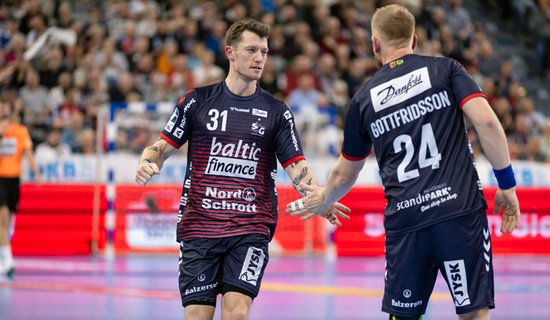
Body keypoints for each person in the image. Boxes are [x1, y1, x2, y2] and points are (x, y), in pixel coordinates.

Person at [286, 5, 521, 320]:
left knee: (404, 316)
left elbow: (345, 171)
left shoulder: (363, 99)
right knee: (473, 314)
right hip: (457, 211)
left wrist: (325, 198)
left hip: (406, 222)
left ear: (375, 43)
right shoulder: (446, 69)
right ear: (415, 37)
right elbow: (489, 124)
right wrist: (506, 184)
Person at [134, 19, 349, 320]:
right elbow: (160, 147)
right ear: (230, 52)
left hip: (250, 229)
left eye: (264, 51)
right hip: (199, 227)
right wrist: (147, 162)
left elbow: (297, 166)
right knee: (197, 314)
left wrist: (319, 197)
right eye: (251, 50)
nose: (259, 58)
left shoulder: (277, 112)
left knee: (236, 313)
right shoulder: (196, 101)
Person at [0, 96, 42, 279]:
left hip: (14, 180)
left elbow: (28, 153)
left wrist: (36, 173)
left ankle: (4, 254)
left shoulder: (21, 131)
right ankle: (7, 259)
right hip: (0, 179)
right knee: (2, 220)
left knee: (8, 222)